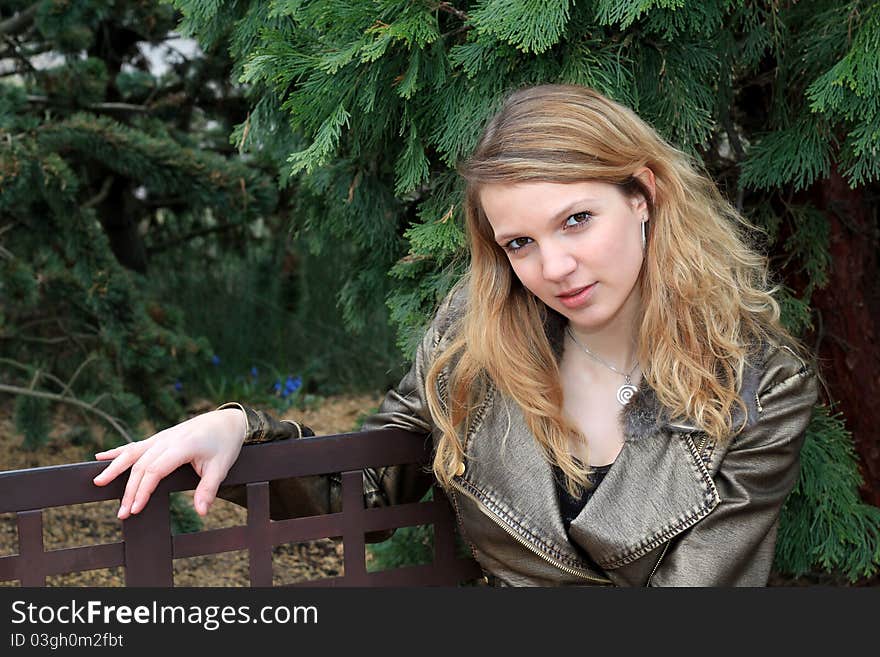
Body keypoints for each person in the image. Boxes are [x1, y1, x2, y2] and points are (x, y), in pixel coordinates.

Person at [93, 84, 818, 586]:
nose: (554, 266)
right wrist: (238, 428)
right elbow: (369, 495)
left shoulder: (759, 384)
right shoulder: (475, 340)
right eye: (520, 242)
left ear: (643, 196)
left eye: (576, 220)